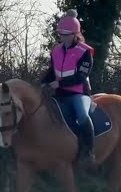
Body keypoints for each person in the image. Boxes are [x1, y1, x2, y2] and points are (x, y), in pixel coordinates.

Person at [41, 9, 96, 167]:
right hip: (59, 94)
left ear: (74, 34)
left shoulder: (85, 52)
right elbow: (52, 71)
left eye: (66, 34)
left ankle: (89, 152)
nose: (62, 37)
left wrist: (59, 83)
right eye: (60, 34)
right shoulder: (56, 51)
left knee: (82, 115)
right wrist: (43, 83)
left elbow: (80, 77)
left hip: (79, 94)